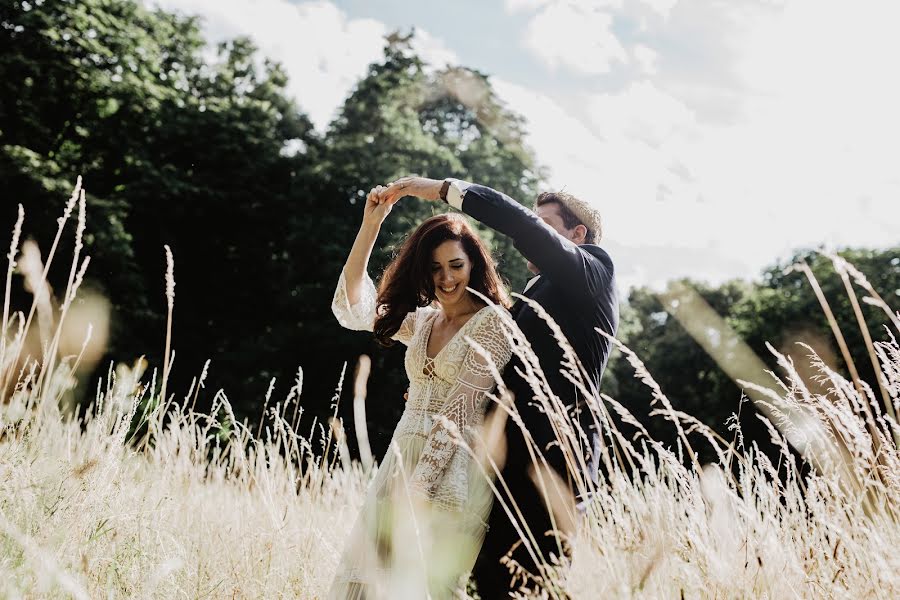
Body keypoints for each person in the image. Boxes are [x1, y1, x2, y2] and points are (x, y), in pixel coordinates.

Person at [377, 176, 619, 597]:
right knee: (483, 583)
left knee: (533, 583)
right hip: (500, 462)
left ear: (577, 234)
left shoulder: (593, 272)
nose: (533, 234)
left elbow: (519, 223)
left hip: (551, 461)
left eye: (545, 225)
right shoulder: (537, 292)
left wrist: (445, 190)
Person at [327, 186, 514, 599]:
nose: (446, 278)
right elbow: (352, 309)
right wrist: (370, 226)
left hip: (451, 474)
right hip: (399, 459)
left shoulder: (493, 324)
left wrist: (416, 495)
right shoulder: (424, 322)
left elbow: (459, 413)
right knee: (369, 581)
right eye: (434, 268)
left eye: (455, 265)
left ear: (474, 265)